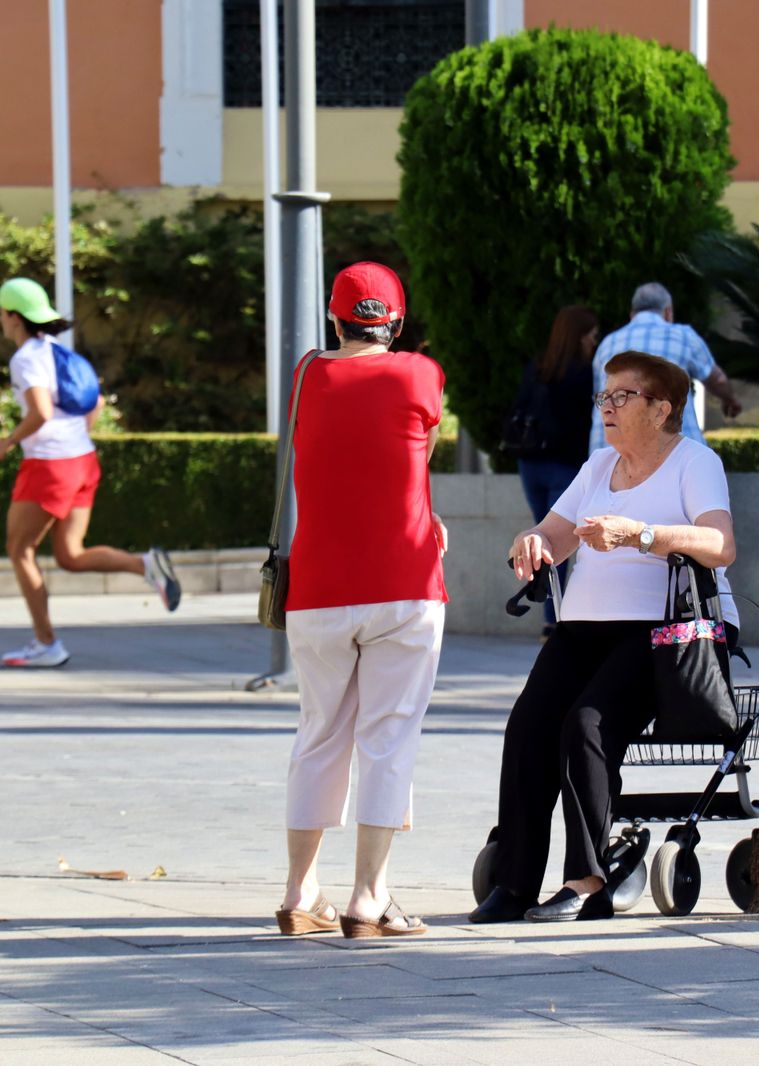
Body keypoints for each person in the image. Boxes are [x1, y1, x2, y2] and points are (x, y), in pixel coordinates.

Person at [472, 351, 739, 924]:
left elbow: (720, 546)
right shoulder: (598, 466)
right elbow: (556, 533)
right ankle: (514, 884)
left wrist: (640, 535)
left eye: (622, 397)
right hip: (585, 628)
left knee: (586, 726)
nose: (607, 407)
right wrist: (533, 542)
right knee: (528, 727)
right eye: (605, 396)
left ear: (661, 408)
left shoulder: (694, 462)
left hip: (665, 632)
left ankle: (587, 881)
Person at [276, 262, 448, 940]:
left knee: (319, 733)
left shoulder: (305, 377)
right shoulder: (421, 374)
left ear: (335, 317)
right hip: (403, 582)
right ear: (397, 322)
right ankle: (370, 899)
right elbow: (416, 452)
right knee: (387, 738)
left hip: (317, 587)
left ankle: (298, 893)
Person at [0, 278, 180, 668]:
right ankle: (145, 565)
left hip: (50, 464)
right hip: (82, 460)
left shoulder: (26, 358)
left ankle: (47, 644)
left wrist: (7, 442)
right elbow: (91, 402)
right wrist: (75, 439)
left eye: (1, 313)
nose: (0, 320)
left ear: (12, 317)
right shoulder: (58, 351)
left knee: (19, 549)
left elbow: (40, 412)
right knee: (70, 555)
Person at [510, 305, 600, 636]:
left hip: (530, 464)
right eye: (592, 334)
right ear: (580, 335)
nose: (594, 340)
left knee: (544, 539)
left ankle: (552, 618)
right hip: (565, 465)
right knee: (557, 543)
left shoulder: (538, 367)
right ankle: (556, 619)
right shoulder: (584, 374)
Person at [587, 283, 742, 453]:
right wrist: (730, 400)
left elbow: (598, 397)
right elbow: (717, 379)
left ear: (632, 314)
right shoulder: (683, 337)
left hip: (610, 456)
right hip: (676, 457)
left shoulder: (607, 344)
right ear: (668, 312)